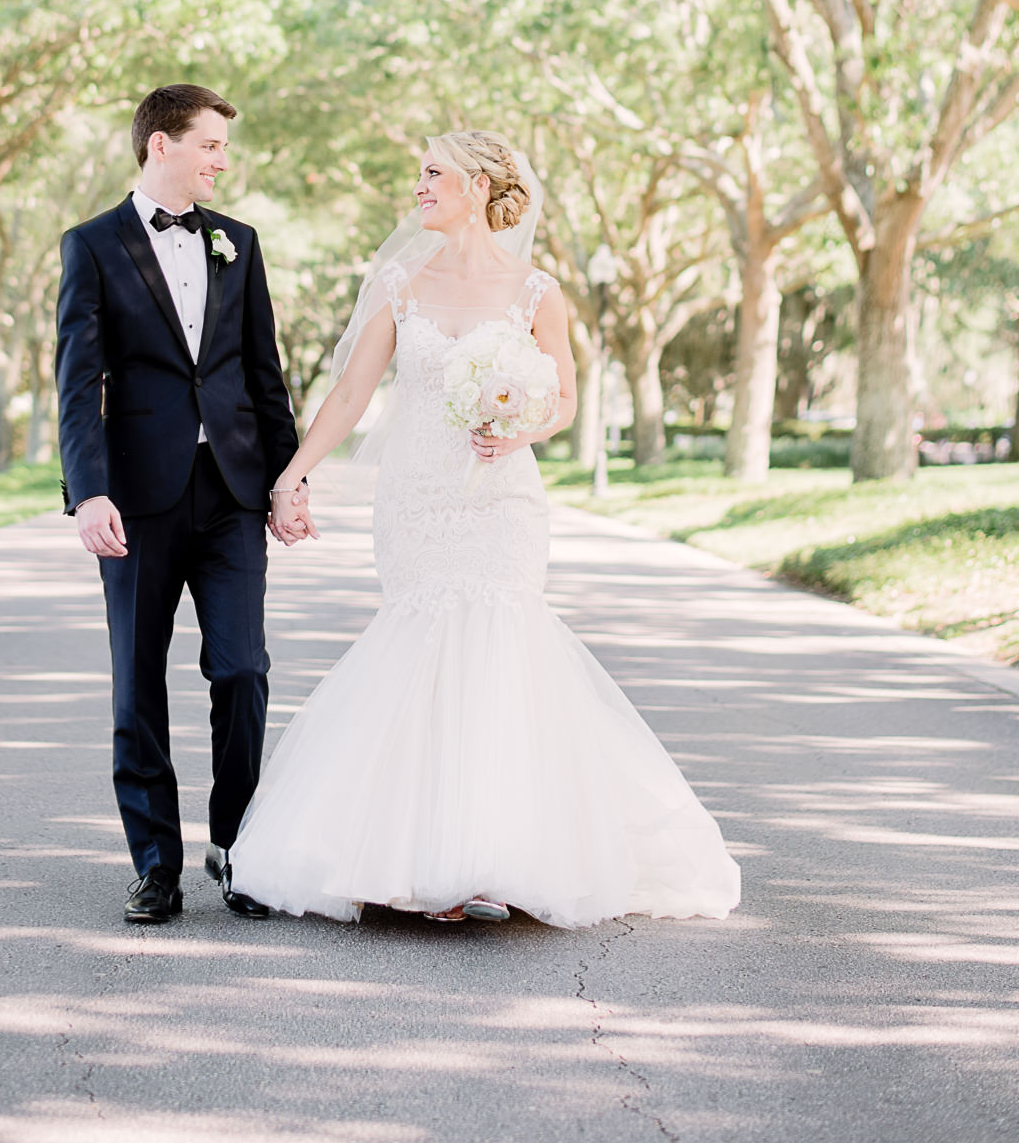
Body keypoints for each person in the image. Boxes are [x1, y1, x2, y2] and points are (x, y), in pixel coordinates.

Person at [229, 131, 741, 928]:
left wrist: (520, 429)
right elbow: (349, 397)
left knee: (501, 656)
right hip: (418, 497)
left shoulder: (538, 292)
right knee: (422, 650)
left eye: (432, 175)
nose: (419, 188)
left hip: (502, 501)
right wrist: (294, 474)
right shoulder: (398, 283)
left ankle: (495, 857)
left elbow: (564, 400)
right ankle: (411, 860)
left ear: (475, 187)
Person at [56, 84, 302, 926]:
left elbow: (263, 374)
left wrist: (287, 479)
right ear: (162, 145)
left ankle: (235, 846)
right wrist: (87, 491)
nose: (222, 161)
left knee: (242, 670)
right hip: (137, 500)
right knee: (138, 686)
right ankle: (155, 866)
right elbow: (77, 381)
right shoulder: (91, 246)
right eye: (211, 145)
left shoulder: (239, 242)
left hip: (232, 492)